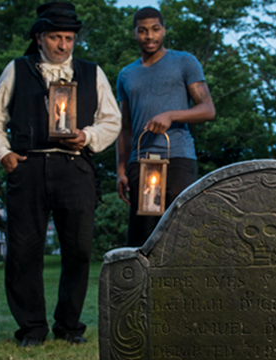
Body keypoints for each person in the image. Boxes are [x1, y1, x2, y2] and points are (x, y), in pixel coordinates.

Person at [0, 2, 120, 347]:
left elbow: (111, 120)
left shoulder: (92, 72)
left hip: (75, 167)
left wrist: (86, 137)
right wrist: (4, 154)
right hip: (28, 167)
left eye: (69, 38)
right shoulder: (16, 70)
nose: (63, 45)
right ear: (40, 37)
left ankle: (69, 325)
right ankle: (31, 328)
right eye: (56, 37)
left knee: (78, 248)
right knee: (24, 249)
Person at [116, 7, 216, 247]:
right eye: (142, 31)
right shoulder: (126, 75)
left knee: (179, 231)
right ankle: (143, 286)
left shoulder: (184, 62)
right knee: (143, 238)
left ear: (163, 30)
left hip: (178, 157)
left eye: (155, 29)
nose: (149, 36)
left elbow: (208, 109)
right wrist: (120, 169)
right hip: (141, 162)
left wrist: (171, 114)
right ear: (135, 34)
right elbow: (125, 128)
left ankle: (180, 284)